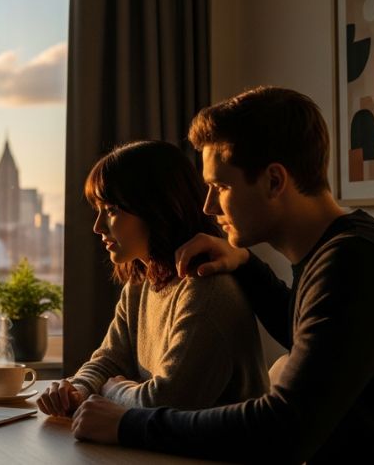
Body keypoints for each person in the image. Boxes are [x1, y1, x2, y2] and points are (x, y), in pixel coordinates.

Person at [70, 87, 374, 463]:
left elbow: (283, 429)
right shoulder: (340, 252)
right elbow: (306, 330)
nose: (207, 206)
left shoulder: (356, 264)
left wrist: (127, 423)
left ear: (275, 181)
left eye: (220, 186)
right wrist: (246, 264)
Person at [37, 140, 268, 417]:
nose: (98, 227)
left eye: (111, 211)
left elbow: (166, 401)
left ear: (156, 208)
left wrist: (111, 391)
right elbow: (110, 359)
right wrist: (77, 388)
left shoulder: (206, 290)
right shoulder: (140, 284)